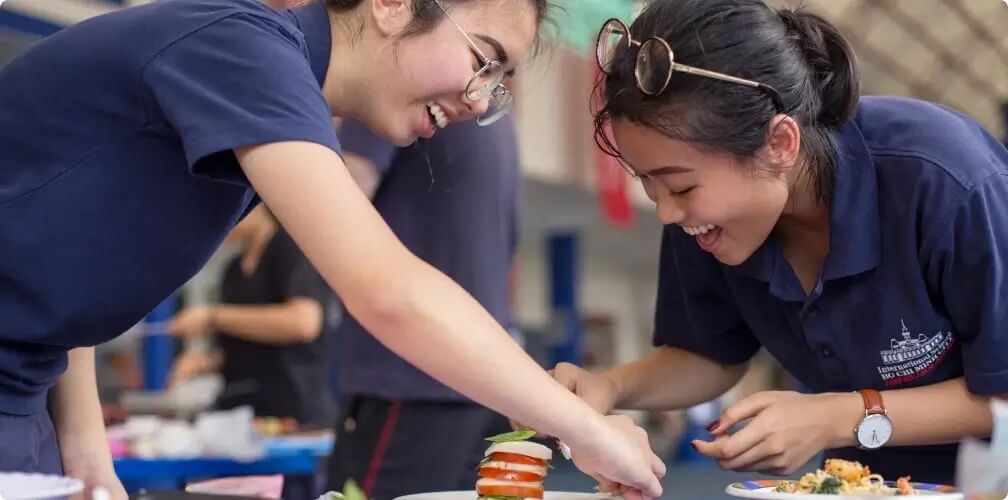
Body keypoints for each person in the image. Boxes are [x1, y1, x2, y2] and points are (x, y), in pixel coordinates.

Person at [0, 0, 666, 497]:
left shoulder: (277, 92)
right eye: (483, 59)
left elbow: (73, 265)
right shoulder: (245, 49)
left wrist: (84, 439)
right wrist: (586, 428)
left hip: (26, 397)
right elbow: (388, 290)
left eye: (498, 85)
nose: (477, 99)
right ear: (393, 4)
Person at [541, 0, 1008, 487]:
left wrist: (838, 416)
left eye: (680, 187)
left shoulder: (948, 182)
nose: (667, 213)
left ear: (780, 144)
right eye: (648, 184)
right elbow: (709, 354)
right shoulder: (708, 220)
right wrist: (608, 386)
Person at [325, 115, 520, 498]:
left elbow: (326, 208)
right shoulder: (496, 121)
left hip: (413, 379)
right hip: (484, 380)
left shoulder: (392, 97)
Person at [167, 204, 338, 428]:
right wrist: (205, 363)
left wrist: (212, 317)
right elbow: (246, 349)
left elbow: (304, 323)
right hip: (244, 415)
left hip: (295, 416)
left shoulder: (292, 249)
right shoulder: (232, 270)